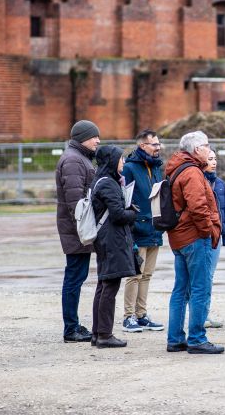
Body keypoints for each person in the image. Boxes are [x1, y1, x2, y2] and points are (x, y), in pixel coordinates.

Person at [164, 131, 225, 354]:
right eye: (207, 145)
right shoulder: (192, 172)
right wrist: (208, 231)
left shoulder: (177, 168)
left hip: (179, 236)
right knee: (200, 288)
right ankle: (197, 339)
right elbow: (198, 207)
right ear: (197, 149)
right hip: (194, 238)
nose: (210, 150)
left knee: (181, 289)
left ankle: (175, 339)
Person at [55, 119, 100, 343]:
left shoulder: (79, 158)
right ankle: (71, 328)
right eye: (94, 137)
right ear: (83, 137)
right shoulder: (73, 160)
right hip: (76, 231)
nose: (98, 140)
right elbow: (76, 203)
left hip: (78, 230)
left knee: (77, 277)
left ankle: (73, 325)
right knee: (74, 278)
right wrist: (85, 231)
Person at [90, 145, 137, 348]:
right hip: (112, 240)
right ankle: (104, 335)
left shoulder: (101, 181)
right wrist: (133, 213)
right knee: (109, 287)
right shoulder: (108, 184)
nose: (123, 162)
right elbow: (118, 215)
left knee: (103, 286)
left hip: (106, 240)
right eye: (120, 159)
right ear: (111, 160)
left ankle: (97, 333)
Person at [121, 129, 165, 334]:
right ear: (142, 146)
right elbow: (124, 197)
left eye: (158, 144)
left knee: (147, 274)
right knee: (134, 274)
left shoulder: (157, 167)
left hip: (155, 227)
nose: (158, 147)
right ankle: (128, 316)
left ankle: (142, 314)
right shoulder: (129, 168)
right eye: (154, 144)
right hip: (137, 227)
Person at [202, 147, 225, 329]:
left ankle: (205, 313)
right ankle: (199, 315)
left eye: (214, 159)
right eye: (210, 159)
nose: (214, 162)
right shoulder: (197, 180)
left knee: (210, 276)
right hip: (204, 234)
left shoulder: (219, 183)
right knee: (201, 277)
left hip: (217, 235)